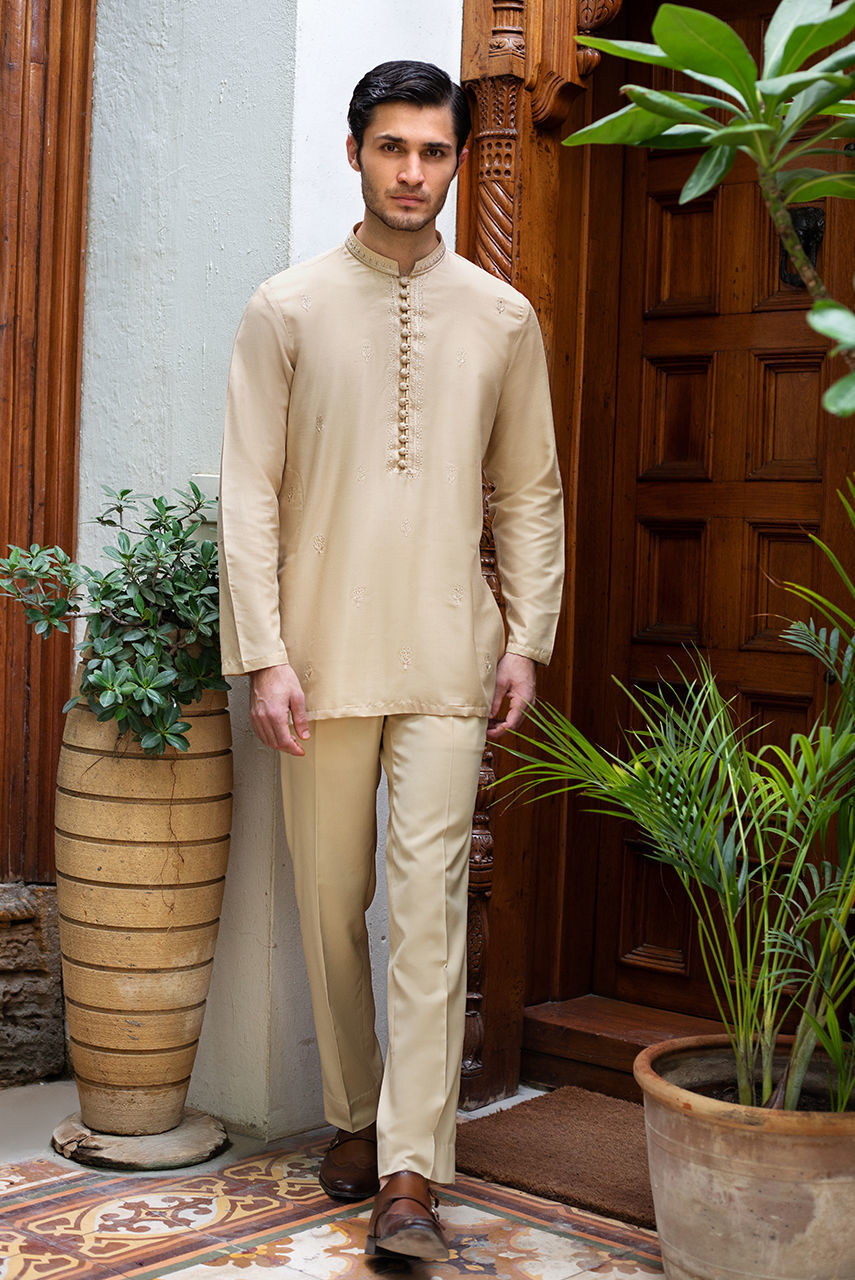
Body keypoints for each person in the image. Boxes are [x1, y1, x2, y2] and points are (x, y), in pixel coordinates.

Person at [218, 59, 564, 1262]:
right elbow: (249, 493)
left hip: (447, 655)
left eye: (434, 150)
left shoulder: (502, 318)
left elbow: (529, 489)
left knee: (429, 909)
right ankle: (357, 1113)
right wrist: (265, 653)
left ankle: (409, 1169)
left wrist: (527, 635)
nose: (414, 172)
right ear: (356, 152)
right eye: (393, 148)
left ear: (457, 160)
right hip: (315, 659)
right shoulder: (286, 308)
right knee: (330, 905)